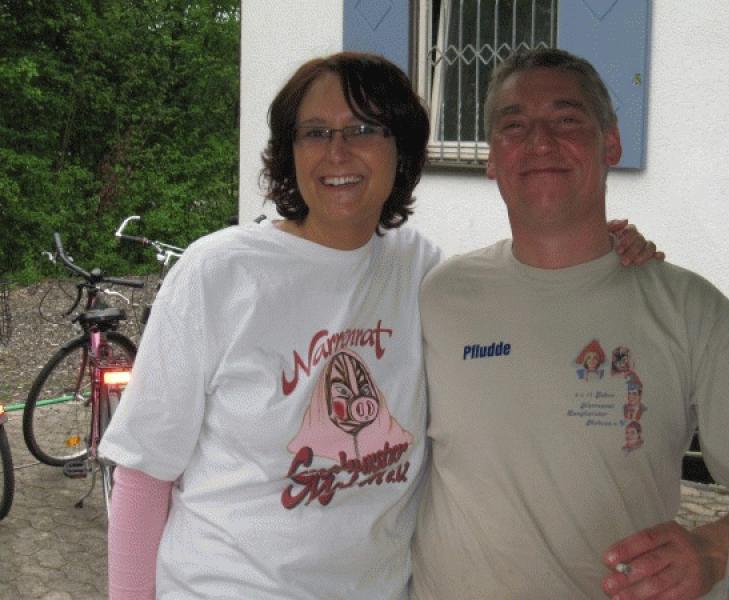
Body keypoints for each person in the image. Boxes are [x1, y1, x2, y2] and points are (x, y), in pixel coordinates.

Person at [99, 52, 659, 599]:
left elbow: (528, 292)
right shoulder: (220, 273)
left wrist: (601, 251)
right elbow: (145, 472)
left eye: (363, 129)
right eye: (315, 133)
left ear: (402, 150)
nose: (337, 152)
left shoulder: (423, 273)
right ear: (290, 151)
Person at [410, 47, 729, 600]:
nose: (540, 141)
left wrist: (714, 549)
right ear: (492, 157)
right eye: (514, 125)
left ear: (610, 143)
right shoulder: (438, 294)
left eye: (567, 120)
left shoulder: (687, 307)